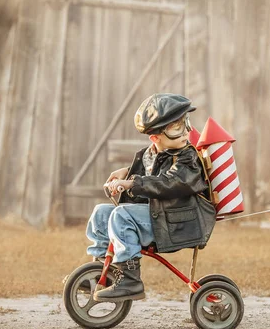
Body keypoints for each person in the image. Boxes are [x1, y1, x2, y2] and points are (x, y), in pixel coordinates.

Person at [85, 93, 216, 303]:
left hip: (177, 222)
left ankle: (130, 280)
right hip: (160, 215)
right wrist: (126, 173)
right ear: (155, 138)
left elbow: (169, 182)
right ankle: (103, 270)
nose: (187, 132)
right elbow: (151, 173)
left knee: (122, 214)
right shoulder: (151, 154)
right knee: (101, 213)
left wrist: (133, 183)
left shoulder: (187, 158)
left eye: (186, 123)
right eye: (177, 127)